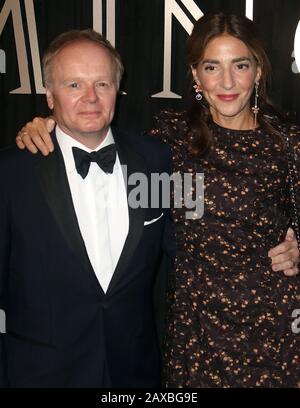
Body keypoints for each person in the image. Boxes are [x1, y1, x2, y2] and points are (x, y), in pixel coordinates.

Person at [15, 15, 300, 388]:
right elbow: (96, 143)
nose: (227, 82)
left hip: (274, 329)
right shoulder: (168, 140)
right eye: (212, 67)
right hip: (196, 336)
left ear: (257, 71)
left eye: (240, 65)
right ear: (196, 76)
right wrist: (42, 124)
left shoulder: (288, 144)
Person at [0, 29, 172, 387]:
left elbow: (194, 237)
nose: (90, 98)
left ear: (118, 90)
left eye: (102, 84)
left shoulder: (155, 160)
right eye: (74, 85)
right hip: (42, 375)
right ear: (49, 95)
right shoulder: (11, 172)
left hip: (135, 373)